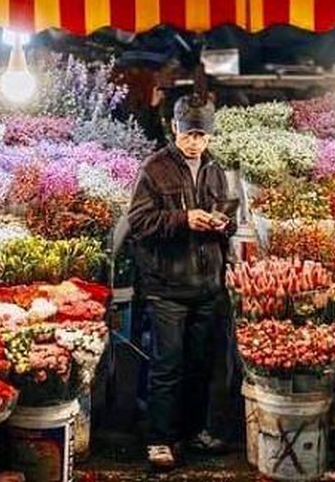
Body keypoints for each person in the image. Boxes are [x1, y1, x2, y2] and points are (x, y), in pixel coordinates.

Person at [127, 94, 237, 470]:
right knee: (167, 365)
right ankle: (160, 439)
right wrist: (183, 219)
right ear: (174, 129)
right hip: (167, 287)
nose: (195, 142)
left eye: (202, 135)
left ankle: (190, 434)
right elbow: (139, 224)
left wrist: (224, 223)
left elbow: (226, 212)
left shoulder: (214, 169)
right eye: (189, 134)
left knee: (200, 365)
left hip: (207, 285)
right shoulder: (154, 169)